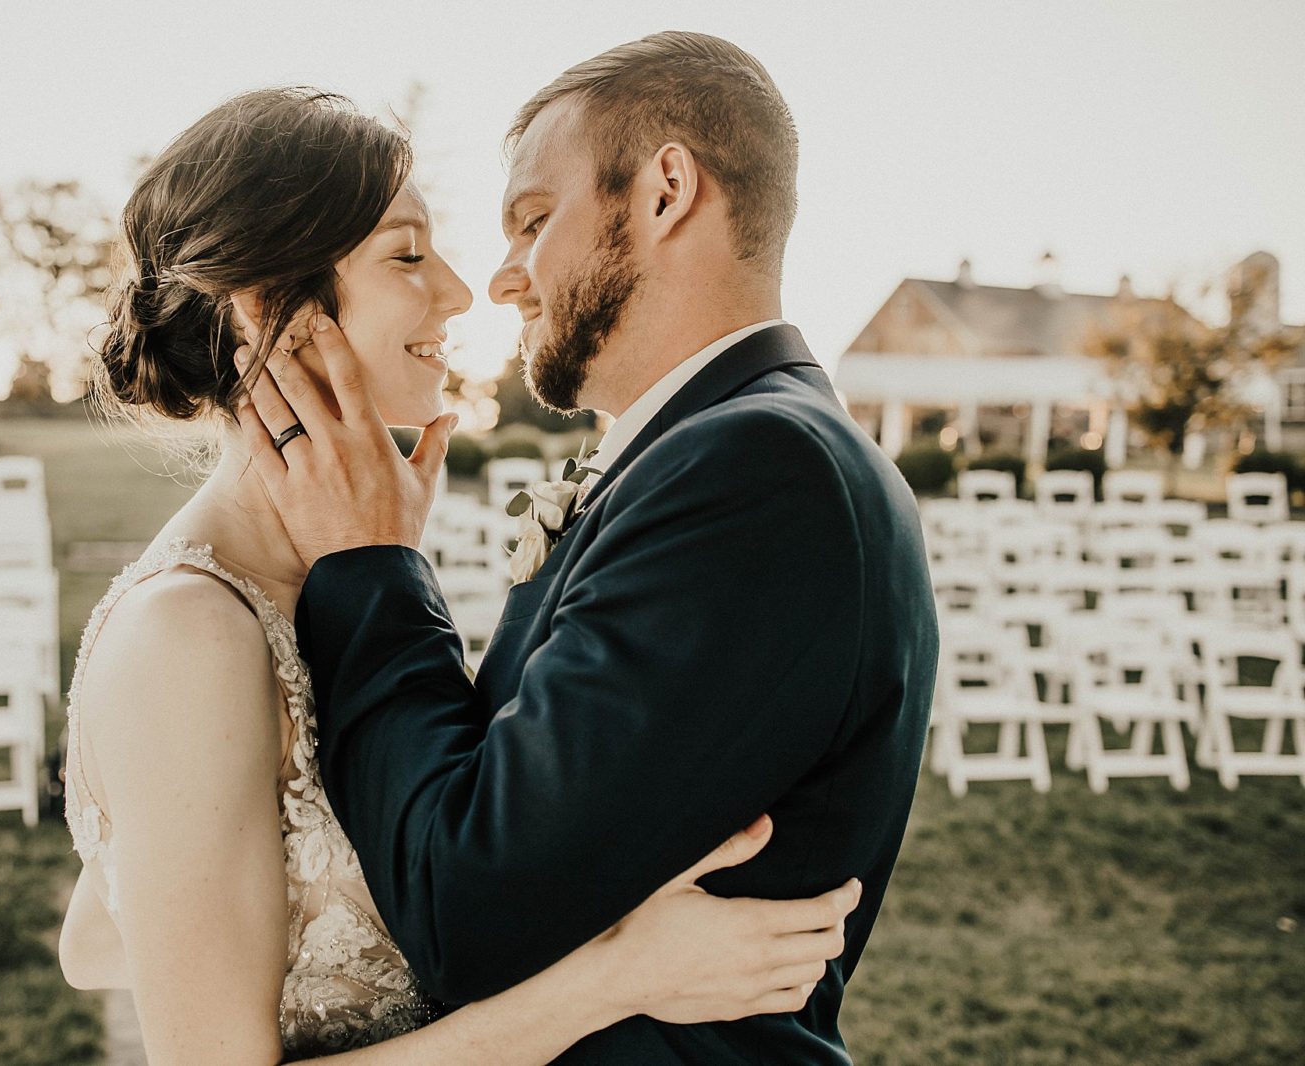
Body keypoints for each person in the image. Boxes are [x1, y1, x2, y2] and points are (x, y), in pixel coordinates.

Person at [56, 86, 862, 1064]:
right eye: (407, 254)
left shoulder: (310, 589)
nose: (459, 289)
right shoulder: (189, 628)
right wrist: (613, 976)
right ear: (270, 310)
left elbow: (101, 935)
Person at [236, 32, 939, 1063]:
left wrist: (372, 567)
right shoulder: (719, 449)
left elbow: (465, 904)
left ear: (664, 191)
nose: (505, 280)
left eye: (531, 221)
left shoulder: (757, 469)